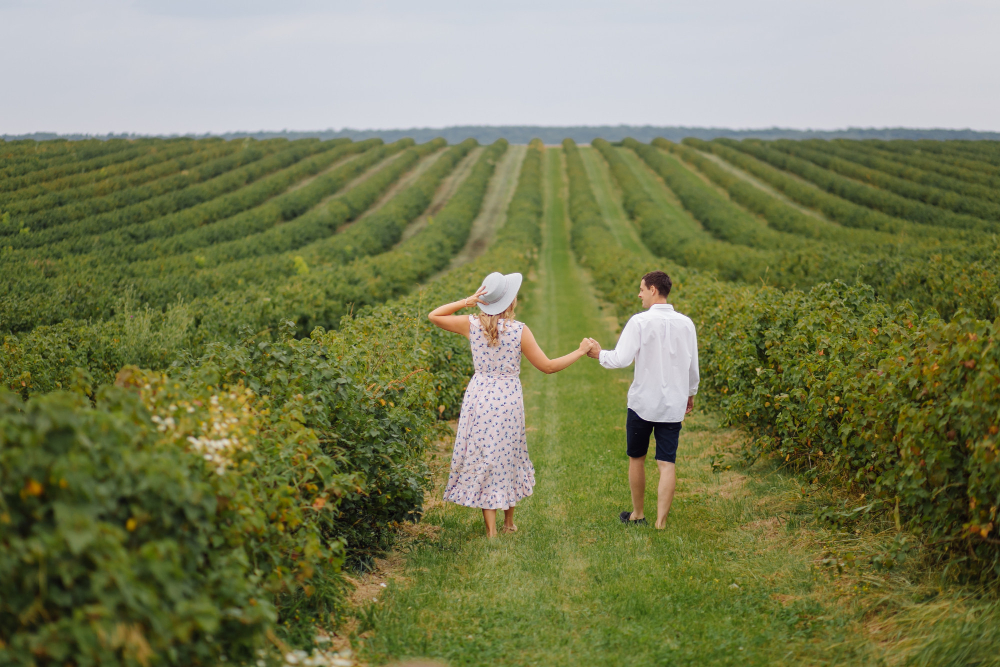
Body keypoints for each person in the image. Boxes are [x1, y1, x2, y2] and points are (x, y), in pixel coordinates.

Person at [429, 271, 594, 538]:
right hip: (507, 399)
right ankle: (508, 523)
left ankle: (492, 530)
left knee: (486, 456)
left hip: (479, 397)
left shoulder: (471, 325)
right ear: (510, 301)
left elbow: (434, 315)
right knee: (508, 454)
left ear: (485, 301)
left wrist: (467, 301)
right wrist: (580, 350)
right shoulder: (519, 330)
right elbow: (548, 367)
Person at [586, 270, 699, 529]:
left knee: (637, 458)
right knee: (667, 462)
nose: (639, 294)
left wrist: (598, 353)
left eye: (641, 289)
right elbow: (692, 366)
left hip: (642, 403)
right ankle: (661, 522)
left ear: (653, 290)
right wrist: (690, 393)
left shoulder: (639, 322)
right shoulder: (686, 324)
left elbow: (621, 359)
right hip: (673, 403)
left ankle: (638, 514)